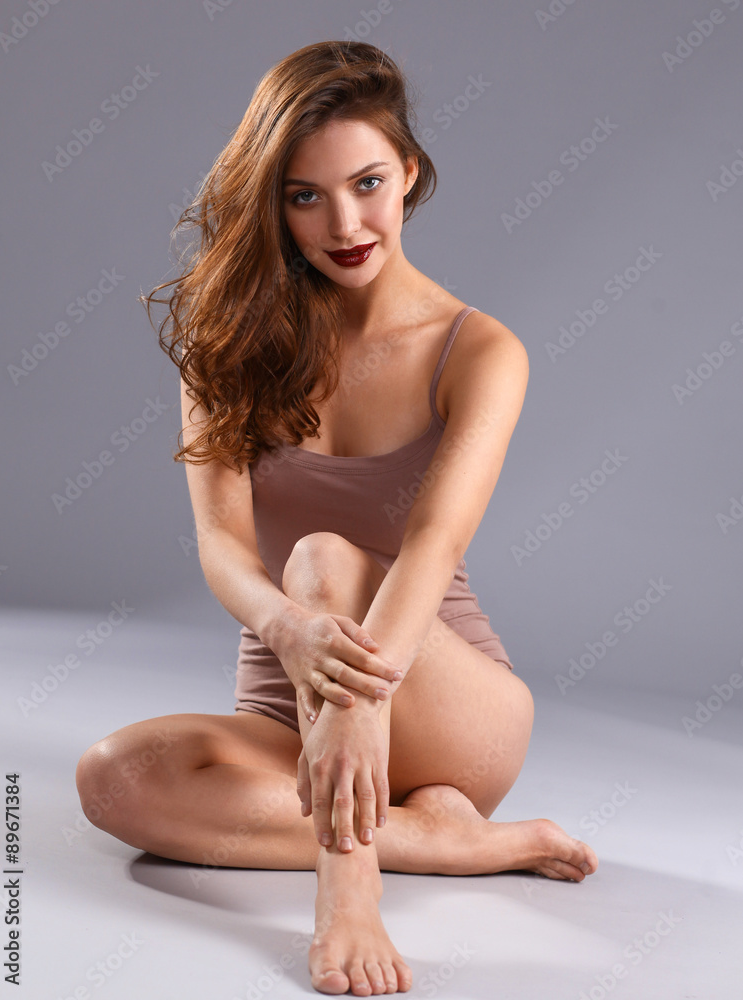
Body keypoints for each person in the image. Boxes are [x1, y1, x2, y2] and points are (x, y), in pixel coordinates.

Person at [75, 40, 599, 997]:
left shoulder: (479, 351)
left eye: (366, 183)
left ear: (408, 172)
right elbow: (225, 549)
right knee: (110, 777)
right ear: (272, 204)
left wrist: (361, 701)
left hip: (447, 699)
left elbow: (435, 543)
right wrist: (287, 628)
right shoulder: (223, 337)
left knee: (320, 557)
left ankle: (348, 890)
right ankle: (445, 844)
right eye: (305, 196)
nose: (346, 223)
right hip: (286, 696)